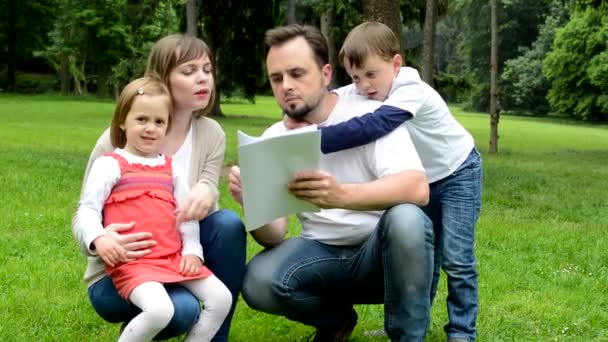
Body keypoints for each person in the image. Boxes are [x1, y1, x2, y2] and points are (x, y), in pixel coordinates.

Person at [229, 24, 435, 342]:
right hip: (320, 255)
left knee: (407, 218)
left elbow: (417, 187)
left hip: (380, 258)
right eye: (277, 78)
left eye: (298, 74)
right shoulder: (274, 138)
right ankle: (336, 320)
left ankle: (408, 336)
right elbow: (274, 235)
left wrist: (340, 195)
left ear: (326, 74)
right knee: (259, 280)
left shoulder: (370, 115)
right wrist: (252, 202)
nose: (287, 86)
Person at [285, 21, 483, 342]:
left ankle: (462, 333)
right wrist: (302, 112)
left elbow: (374, 125)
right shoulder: (373, 87)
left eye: (371, 75)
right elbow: (334, 97)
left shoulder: (409, 90)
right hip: (422, 181)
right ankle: (411, 324)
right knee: (424, 257)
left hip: (458, 172)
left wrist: (311, 140)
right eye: (355, 77)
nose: (363, 86)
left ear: (396, 64)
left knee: (457, 259)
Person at [72, 34, 246, 341]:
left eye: (207, 69)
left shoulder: (211, 133)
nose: (202, 78)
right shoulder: (115, 142)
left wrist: (208, 189)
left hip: (174, 252)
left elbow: (196, 206)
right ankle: (140, 324)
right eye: (189, 71)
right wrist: (100, 239)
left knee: (228, 224)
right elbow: (84, 212)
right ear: (161, 79)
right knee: (178, 311)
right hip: (122, 266)